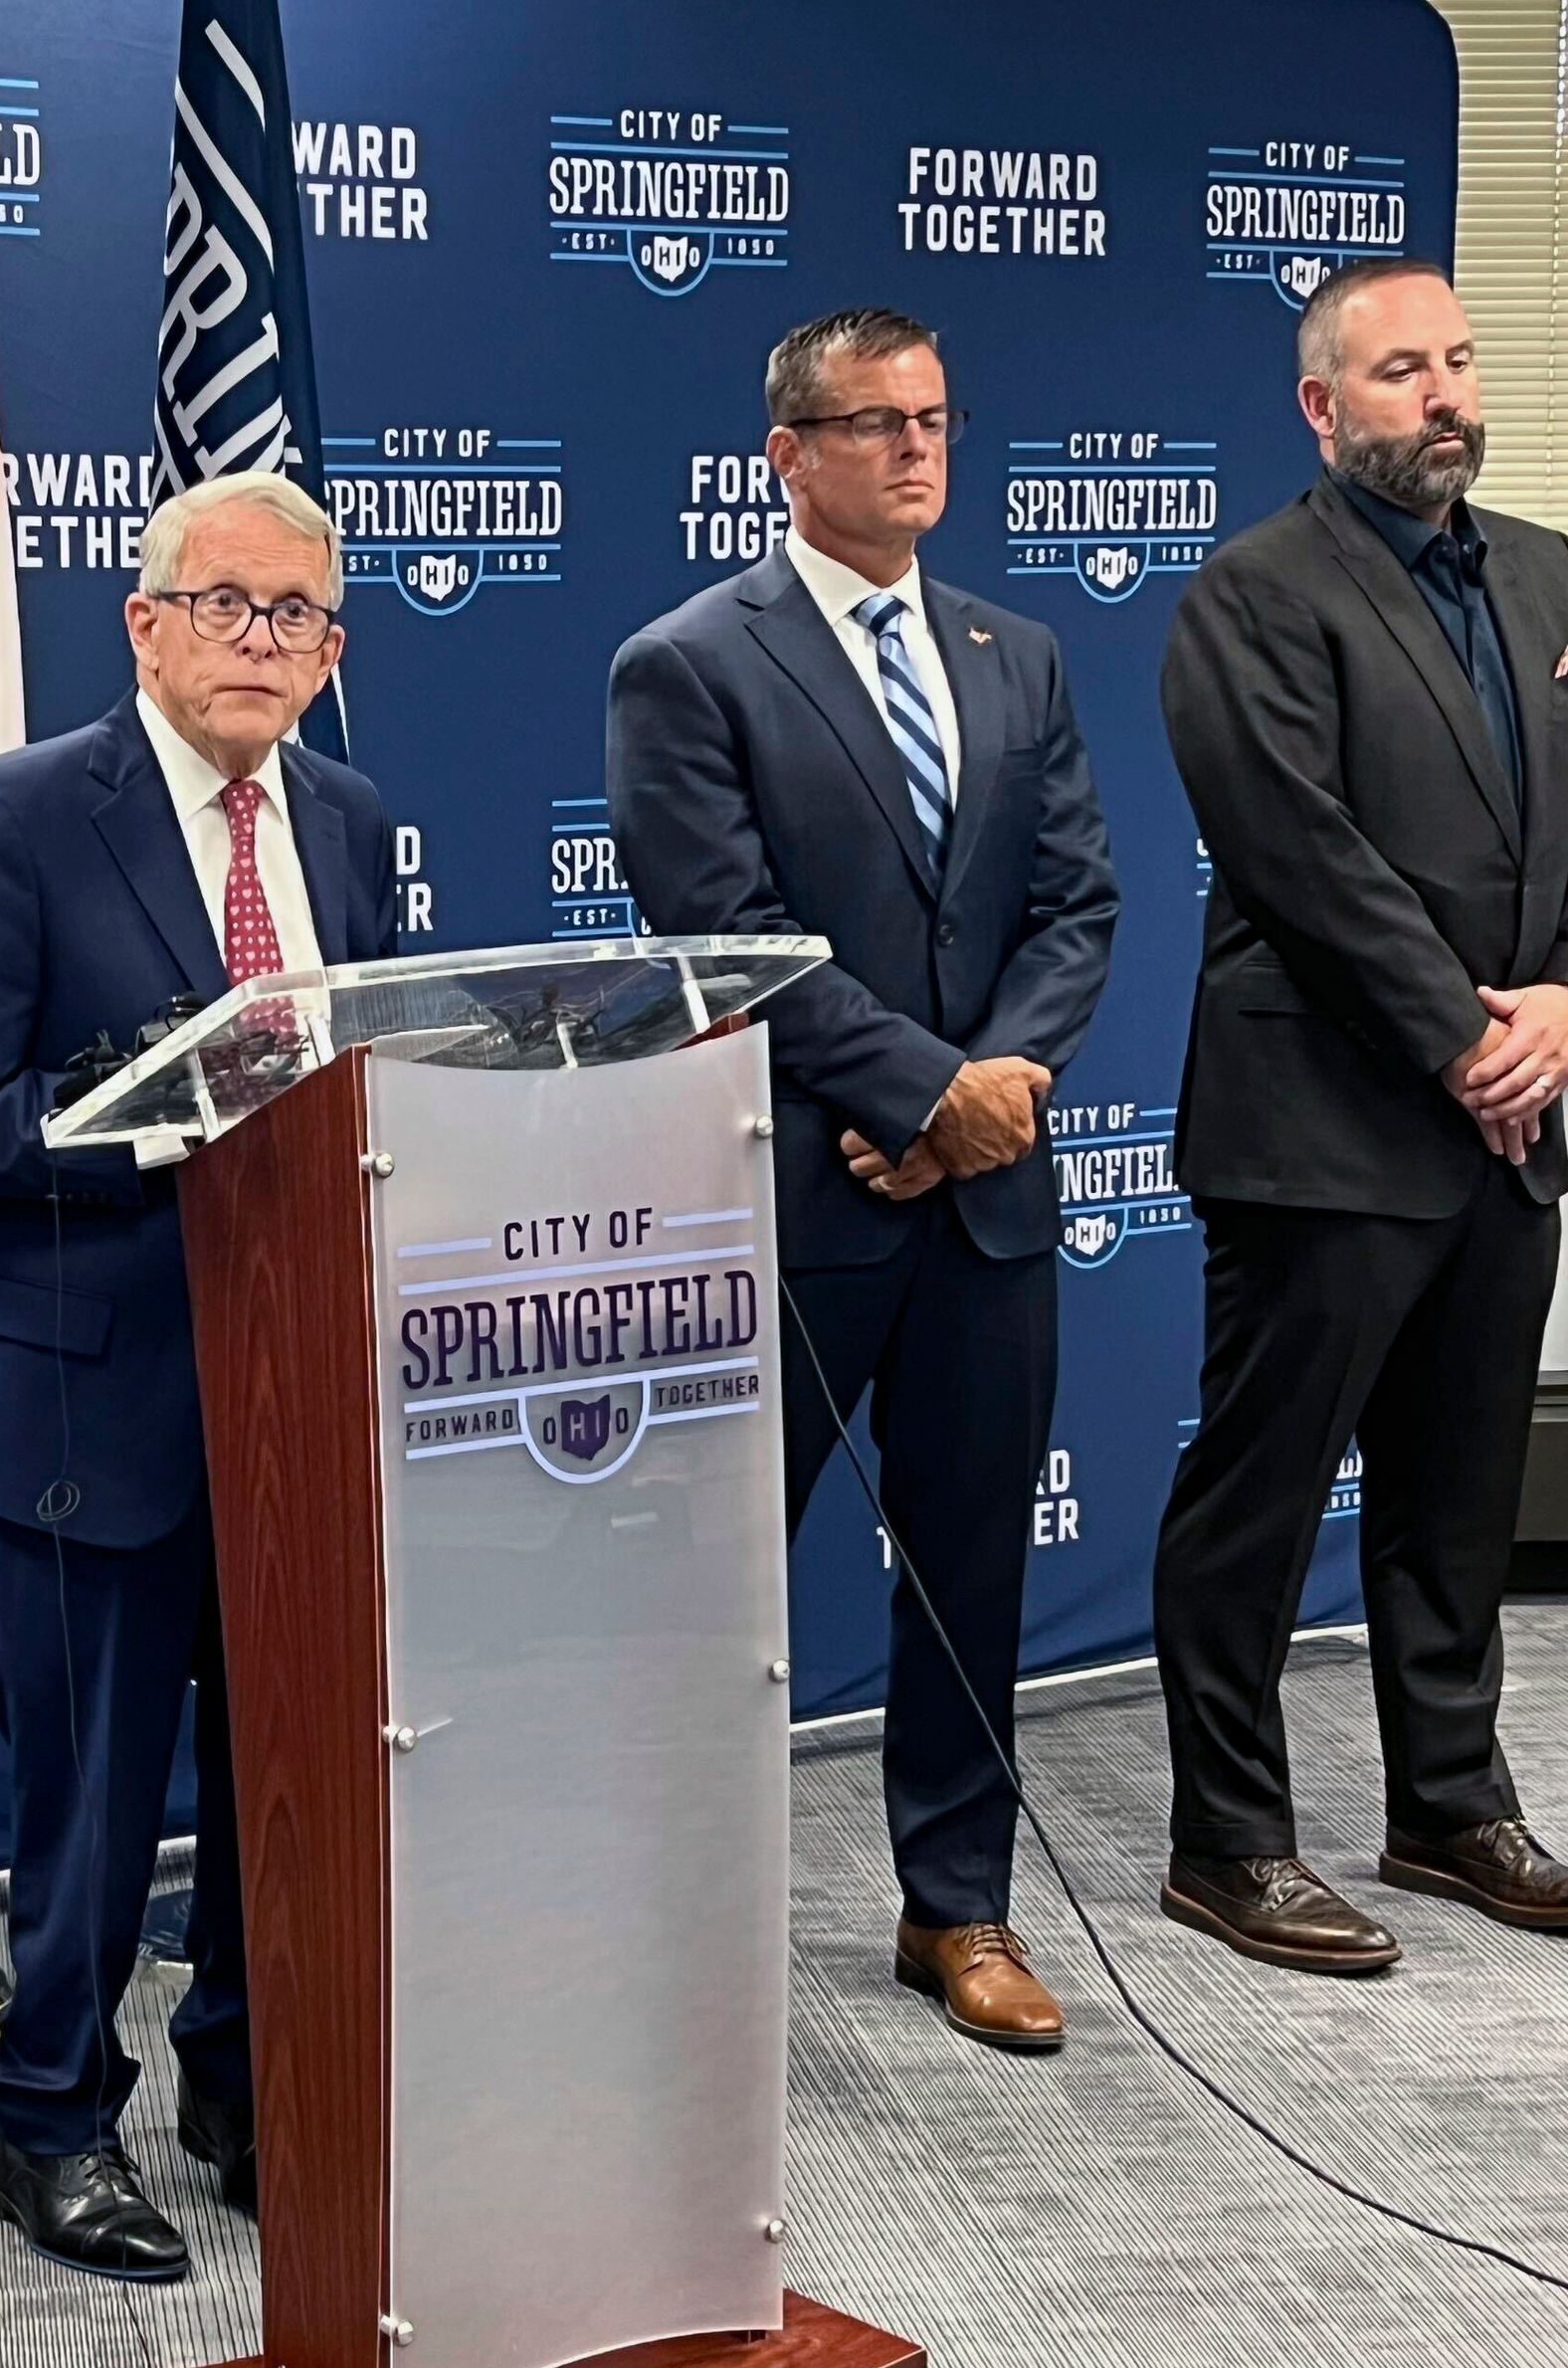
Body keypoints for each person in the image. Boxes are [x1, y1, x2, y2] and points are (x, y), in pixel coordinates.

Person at [0, 471, 401, 2281]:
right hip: (90, 1407)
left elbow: (372, 1084)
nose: (264, 644)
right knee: (90, 1820)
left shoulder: (347, 821)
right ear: (147, 623)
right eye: (231, 605)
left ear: (331, 653)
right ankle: (44, 2123)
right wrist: (163, 1117)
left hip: (302, 1409)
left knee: (286, 1791)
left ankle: (246, 2094)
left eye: (300, 620)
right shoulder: (17, 818)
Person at [605, 307, 1119, 2052]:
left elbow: (1076, 908)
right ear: (788, 455)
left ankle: (958, 1909)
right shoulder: (689, 660)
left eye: (935, 417)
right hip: (793, 1204)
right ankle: (671, 1925)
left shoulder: (1016, 651)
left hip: (980, 1207)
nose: (916, 449)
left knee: (970, 1564)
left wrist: (987, 1097)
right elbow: (724, 935)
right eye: (874, 422)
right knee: (721, 1586)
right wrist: (918, 1092)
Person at [1147, 257, 1568, 1974]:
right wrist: (1466, 1038)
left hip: (1508, 1115)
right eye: (1398, 372)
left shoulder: (1546, 571)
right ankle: (1227, 1843)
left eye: (1457, 360)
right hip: (1326, 1128)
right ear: (1323, 406)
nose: (1443, 394)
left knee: (1457, 1494)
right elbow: (1300, 857)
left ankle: (1449, 1805)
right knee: (1260, 1498)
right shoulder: (1253, 593)